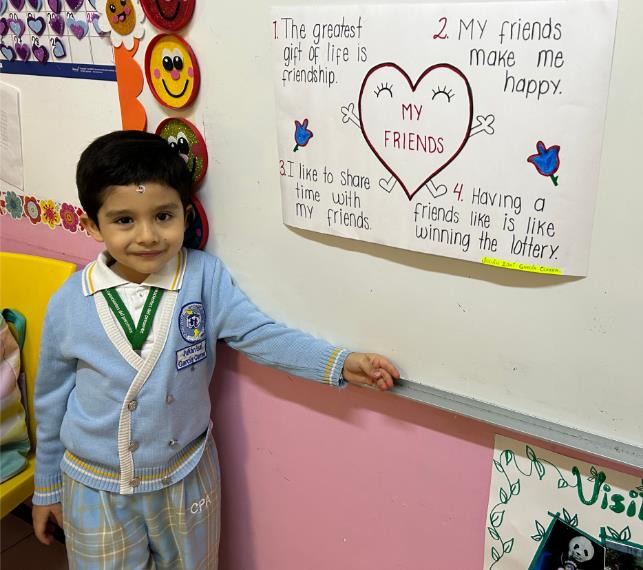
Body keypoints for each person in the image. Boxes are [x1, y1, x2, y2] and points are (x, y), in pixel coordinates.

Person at [32, 130, 399, 568]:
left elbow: (259, 335)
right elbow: (51, 400)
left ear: (186, 215)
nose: (148, 235)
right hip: (96, 487)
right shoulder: (70, 301)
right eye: (124, 220)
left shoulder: (203, 278)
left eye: (163, 216)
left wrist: (338, 363)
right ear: (93, 225)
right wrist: (47, 488)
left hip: (186, 477)